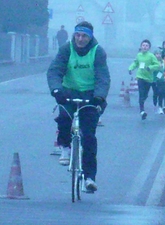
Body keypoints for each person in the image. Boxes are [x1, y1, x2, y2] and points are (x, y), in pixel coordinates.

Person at [47, 21, 110, 192]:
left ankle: (89, 178)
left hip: (90, 96)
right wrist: (56, 89)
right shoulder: (66, 49)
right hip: (68, 92)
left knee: (89, 137)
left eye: (84, 36)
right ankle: (65, 148)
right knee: (64, 118)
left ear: (90, 37)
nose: (80, 39)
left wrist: (99, 96)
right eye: (77, 35)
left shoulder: (98, 52)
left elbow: (103, 77)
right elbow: (55, 70)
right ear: (74, 35)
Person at [128, 39, 160, 120]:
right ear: (141, 46)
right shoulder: (139, 55)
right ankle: (142, 111)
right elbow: (135, 63)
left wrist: (150, 67)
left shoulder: (151, 56)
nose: (144, 47)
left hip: (148, 79)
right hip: (140, 77)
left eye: (146, 46)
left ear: (149, 47)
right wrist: (130, 68)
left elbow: (157, 65)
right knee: (141, 94)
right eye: (143, 45)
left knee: (145, 95)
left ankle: (142, 103)